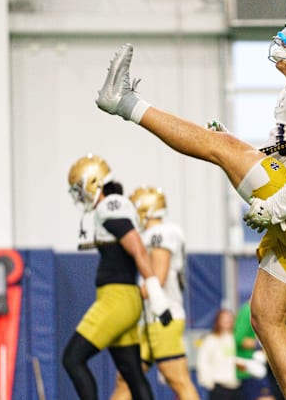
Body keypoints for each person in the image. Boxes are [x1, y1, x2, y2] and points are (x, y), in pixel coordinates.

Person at [95, 7, 286, 400]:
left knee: (217, 147)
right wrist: (247, 151)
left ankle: (125, 102)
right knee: (267, 321)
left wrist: (276, 206)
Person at [63, 154, 173, 400]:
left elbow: (137, 248)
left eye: (81, 189)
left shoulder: (109, 205)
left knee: (72, 359)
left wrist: (156, 296)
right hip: (125, 298)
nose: (80, 196)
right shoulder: (113, 206)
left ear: (94, 182)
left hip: (117, 299)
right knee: (132, 374)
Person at [110, 186, 200, 400]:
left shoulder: (162, 233)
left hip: (164, 316)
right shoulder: (149, 235)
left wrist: (124, 299)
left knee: (176, 378)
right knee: (125, 378)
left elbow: (156, 279)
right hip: (147, 319)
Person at [197, 308, 242, 400]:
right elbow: (203, 362)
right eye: (224, 318)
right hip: (219, 387)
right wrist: (208, 383)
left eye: (230, 318)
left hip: (237, 386)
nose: (227, 321)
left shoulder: (236, 339)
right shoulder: (210, 339)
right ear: (218, 321)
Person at [235, 300, 276, 400]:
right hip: (251, 370)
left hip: (265, 369)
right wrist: (263, 344)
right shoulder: (248, 311)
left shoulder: (267, 312)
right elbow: (238, 339)